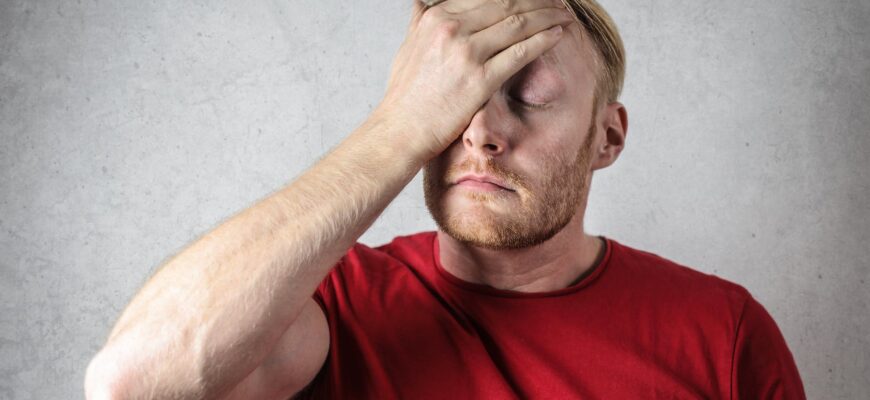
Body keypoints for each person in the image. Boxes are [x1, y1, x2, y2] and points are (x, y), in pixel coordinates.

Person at [85, 0, 806, 398]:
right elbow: (130, 383)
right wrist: (397, 127)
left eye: (528, 97)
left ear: (607, 138)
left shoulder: (723, 330)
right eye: (453, 102)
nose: (481, 133)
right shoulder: (330, 303)